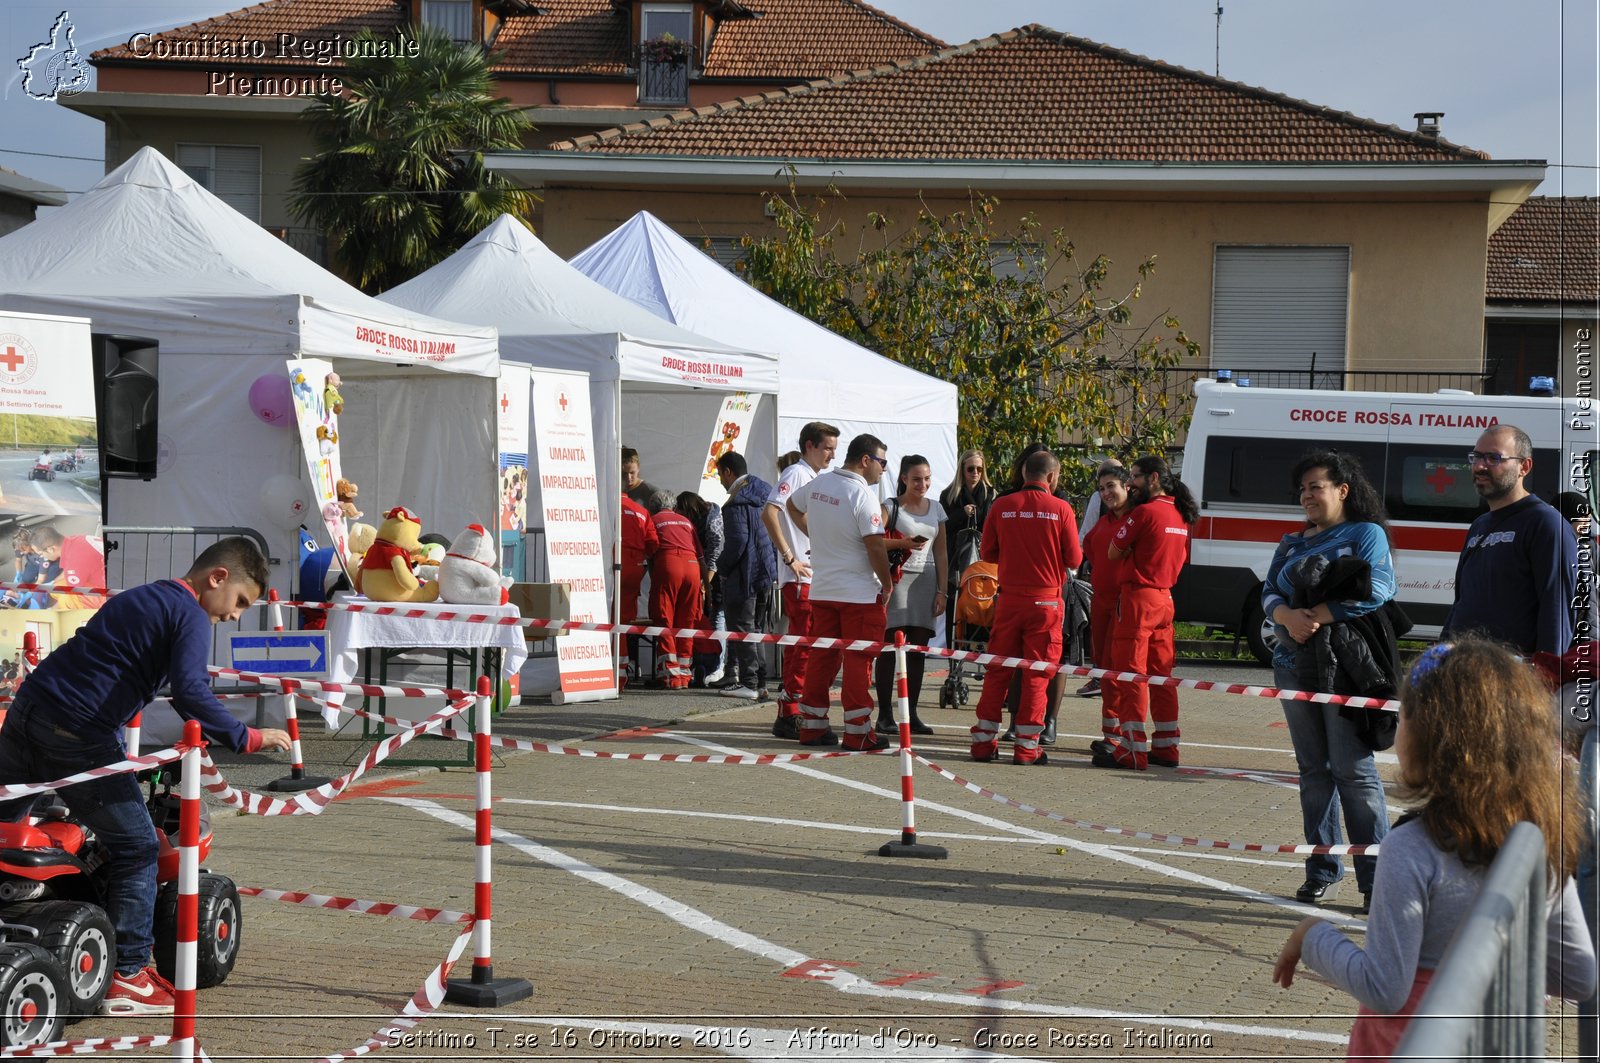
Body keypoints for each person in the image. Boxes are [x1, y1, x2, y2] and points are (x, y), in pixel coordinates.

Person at [0, 537, 291, 1016]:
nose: (236, 615)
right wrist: (249, 738)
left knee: (7, 830)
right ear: (217, 577)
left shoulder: (142, 594)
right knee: (139, 847)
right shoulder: (191, 614)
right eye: (240, 601)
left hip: (28, 710)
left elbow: (106, 664)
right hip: (77, 731)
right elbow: (191, 693)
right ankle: (128, 975)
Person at [1273, 639, 1596, 1058]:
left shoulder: (1411, 849)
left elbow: (1385, 988)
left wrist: (1313, 936)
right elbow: (1579, 976)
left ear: (1434, 738)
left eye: (1405, 715)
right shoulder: (1542, 840)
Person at [1260, 451, 1397, 907]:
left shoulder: (1365, 533)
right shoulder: (1292, 541)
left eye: (1316, 486)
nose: (1307, 496)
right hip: (1293, 663)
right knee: (1313, 773)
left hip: (1346, 667)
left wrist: (1316, 615)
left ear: (1343, 490)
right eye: (1302, 489)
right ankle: (1322, 870)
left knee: (1353, 772)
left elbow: (1378, 589)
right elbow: (1270, 591)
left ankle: (1377, 880)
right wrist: (1285, 616)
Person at [969, 449, 1081, 766]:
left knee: (997, 672)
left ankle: (982, 743)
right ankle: (1027, 747)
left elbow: (988, 553)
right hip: (1046, 603)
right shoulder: (1061, 509)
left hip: (1008, 601)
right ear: (1051, 477)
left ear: (1023, 475)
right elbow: (1074, 559)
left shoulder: (1002, 506)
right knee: (1037, 675)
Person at [789, 433, 892, 750]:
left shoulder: (820, 483)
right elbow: (875, 545)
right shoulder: (863, 495)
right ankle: (858, 732)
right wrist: (886, 583)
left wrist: (817, 536)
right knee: (858, 663)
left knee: (822, 659)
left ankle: (813, 727)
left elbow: (792, 507)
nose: (884, 470)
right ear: (866, 460)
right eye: (882, 462)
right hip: (859, 594)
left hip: (823, 590)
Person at [1441, 424, 1580, 657]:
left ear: (1524, 466)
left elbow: (1557, 610)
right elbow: (1461, 602)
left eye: (1493, 458)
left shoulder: (1545, 523)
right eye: (1476, 457)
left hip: (1513, 679)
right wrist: (1440, 650)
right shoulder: (1479, 525)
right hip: (1467, 671)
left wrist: (1546, 677)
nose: (1480, 466)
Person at [1094, 455, 1196, 771]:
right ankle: (1166, 747)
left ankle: (1132, 748)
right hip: (1165, 599)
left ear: (1152, 479)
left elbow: (1113, 550)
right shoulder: (1181, 514)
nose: (1130, 484)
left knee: (1130, 675)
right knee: (1161, 676)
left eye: (1134, 477)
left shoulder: (1144, 513)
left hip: (1138, 599)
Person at [762, 421, 839, 738]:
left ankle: (791, 706)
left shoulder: (813, 477)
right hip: (800, 574)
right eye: (827, 449)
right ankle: (791, 709)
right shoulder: (796, 473)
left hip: (813, 572)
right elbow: (769, 511)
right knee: (805, 642)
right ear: (810, 445)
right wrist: (788, 556)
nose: (832, 456)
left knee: (803, 643)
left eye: (834, 449)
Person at [874, 454, 948, 735]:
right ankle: (884, 715)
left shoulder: (937, 509)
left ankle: (912, 714)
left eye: (927, 478)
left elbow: (941, 552)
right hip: (898, 578)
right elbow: (873, 540)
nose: (923, 484)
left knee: (917, 651)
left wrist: (943, 591)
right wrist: (903, 543)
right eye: (917, 479)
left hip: (926, 581)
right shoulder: (890, 507)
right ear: (903, 478)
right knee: (890, 649)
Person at [715, 452, 778, 701]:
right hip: (766, 572)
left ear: (729, 472)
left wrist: (722, 568)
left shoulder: (736, 503)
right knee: (756, 630)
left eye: (720, 474)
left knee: (742, 629)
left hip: (744, 575)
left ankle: (750, 683)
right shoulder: (765, 494)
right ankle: (760, 683)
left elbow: (737, 543)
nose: (720, 480)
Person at [1080, 462, 1134, 740]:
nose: (1105, 493)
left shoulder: (1136, 520)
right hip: (1101, 602)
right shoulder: (1105, 521)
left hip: (1124, 604)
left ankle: (1123, 736)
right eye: (1101, 488)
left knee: (1122, 671)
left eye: (1111, 486)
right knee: (1104, 669)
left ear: (1127, 486)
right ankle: (1110, 734)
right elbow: (1088, 546)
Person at [645, 491, 702, 689]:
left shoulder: (652, 520)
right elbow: (700, 554)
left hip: (669, 563)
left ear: (654, 507)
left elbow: (650, 551)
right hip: (692, 565)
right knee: (686, 621)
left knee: (664, 619)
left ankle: (670, 676)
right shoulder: (686, 522)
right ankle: (685, 675)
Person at [939, 449, 995, 634]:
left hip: (983, 560)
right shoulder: (949, 495)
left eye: (979, 468)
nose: (975, 473)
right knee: (954, 604)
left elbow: (992, 525)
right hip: (956, 557)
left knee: (982, 599)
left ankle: (981, 648)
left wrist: (977, 514)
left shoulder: (991, 494)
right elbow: (943, 527)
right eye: (971, 468)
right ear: (962, 469)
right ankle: (953, 651)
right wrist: (961, 514)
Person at [675, 491, 726, 687]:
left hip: (718, 574)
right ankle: (714, 665)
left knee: (718, 618)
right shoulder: (704, 519)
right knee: (712, 617)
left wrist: (705, 585)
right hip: (707, 573)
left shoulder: (712, 521)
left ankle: (719, 667)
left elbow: (713, 557)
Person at [32, 525, 107, 609]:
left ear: (51, 549)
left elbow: (73, 592)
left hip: (112, 593)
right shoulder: (74, 540)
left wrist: (51, 610)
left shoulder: (74, 561)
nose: (42, 557)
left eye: (41, 554)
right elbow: (67, 574)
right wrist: (51, 583)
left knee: (67, 600)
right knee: (57, 585)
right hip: (107, 575)